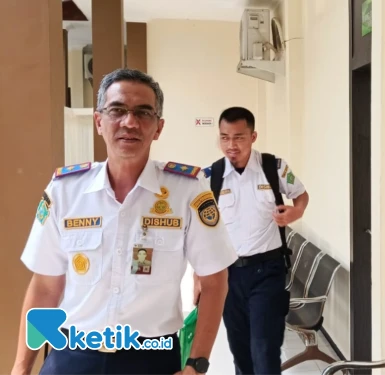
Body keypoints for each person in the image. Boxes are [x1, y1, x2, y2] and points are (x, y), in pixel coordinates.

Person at [10, 68, 238, 375]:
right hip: (72, 355)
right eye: (117, 110)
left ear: (158, 127)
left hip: (150, 358)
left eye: (143, 112)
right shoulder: (65, 191)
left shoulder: (187, 190)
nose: (129, 122)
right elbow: (45, 288)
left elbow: (214, 282)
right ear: (98, 122)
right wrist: (21, 368)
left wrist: (196, 364)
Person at [195, 107, 309, 375]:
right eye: (224, 138)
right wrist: (199, 277)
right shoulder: (210, 176)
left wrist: (296, 212)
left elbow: (301, 195)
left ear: (253, 136)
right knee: (240, 348)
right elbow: (201, 231)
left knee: (265, 347)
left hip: (267, 271)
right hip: (228, 274)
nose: (231, 145)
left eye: (238, 137)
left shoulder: (274, 168)